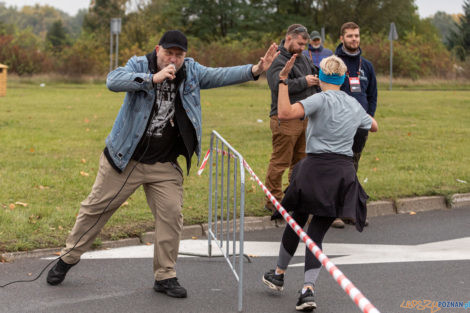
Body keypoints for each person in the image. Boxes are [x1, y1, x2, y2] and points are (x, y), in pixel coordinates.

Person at [46, 30, 279, 298]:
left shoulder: (191, 71)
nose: (173, 59)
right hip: (125, 159)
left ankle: (165, 275)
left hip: (163, 164)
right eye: (168, 53)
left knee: (171, 214)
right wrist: (151, 79)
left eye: (179, 54)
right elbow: (112, 81)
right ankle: (67, 258)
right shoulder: (139, 65)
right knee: (95, 209)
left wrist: (255, 69)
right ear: (158, 50)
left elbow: (220, 75)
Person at [261, 54, 378, 311]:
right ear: (344, 77)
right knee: (316, 234)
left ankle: (279, 274)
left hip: (314, 169)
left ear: (321, 77)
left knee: (296, 222)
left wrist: (282, 82)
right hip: (342, 174)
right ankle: (307, 289)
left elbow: (285, 112)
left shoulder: (318, 99)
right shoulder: (353, 105)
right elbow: (374, 126)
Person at [264, 24, 320, 216]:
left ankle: (293, 196)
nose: (303, 47)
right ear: (289, 38)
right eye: (300, 43)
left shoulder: (303, 58)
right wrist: (305, 81)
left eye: (305, 44)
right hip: (284, 117)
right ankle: (273, 199)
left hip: (304, 115)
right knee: (280, 161)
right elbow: (276, 84)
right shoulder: (277, 59)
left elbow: (313, 76)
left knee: (301, 161)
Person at [332, 21, 377, 229]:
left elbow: (372, 96)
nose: (354, 39)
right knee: (337, 166)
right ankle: (334, 213)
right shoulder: (332, 63)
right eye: (350, 36)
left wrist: (368, 119)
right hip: (338, 126)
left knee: (352, 168)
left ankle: (351, 212)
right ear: (342, 38)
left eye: (357, 36)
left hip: (360, 127)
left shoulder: (366, 66)